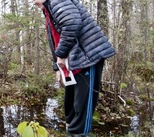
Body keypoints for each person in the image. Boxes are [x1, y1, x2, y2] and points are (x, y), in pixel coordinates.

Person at [33, 0, 116, 136]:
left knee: (81, 112)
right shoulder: (48, 9)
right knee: (70, 109)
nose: (32, 2)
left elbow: (72, 23)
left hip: (88, 59)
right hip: (74, 63)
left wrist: (60, 55)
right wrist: (57, 68)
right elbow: (56, 40)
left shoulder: (57, 1)